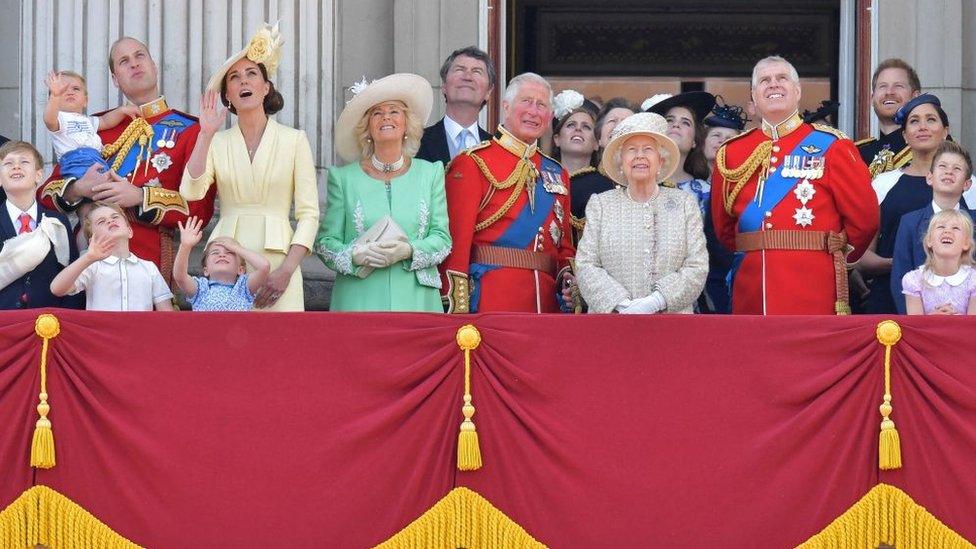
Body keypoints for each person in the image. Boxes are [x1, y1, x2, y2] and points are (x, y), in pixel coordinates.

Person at [37, 37, 217, 284]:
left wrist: (140, 197)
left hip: (150, 260)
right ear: (114, 79)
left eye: (139, 56)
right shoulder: (93, 126)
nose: (134, 64)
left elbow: (199, 211)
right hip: (91, 261)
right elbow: (45, 194)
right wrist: (78, 189)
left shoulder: (191, 129)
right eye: (124, 61)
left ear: (154, 66)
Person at [711, 56, 877, 315]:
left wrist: (835, 259)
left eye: (782, 79)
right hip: (750, 289)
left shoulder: (832, 146)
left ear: (798, 91)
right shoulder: (732, 152)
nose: (773, 85)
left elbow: (864, 219)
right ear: (754, 97)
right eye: (764, 81)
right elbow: (724, 228)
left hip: (812, 287)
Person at [181, 23, 319, 311]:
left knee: (282, 346)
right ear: (227, 95)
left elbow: (308, 214)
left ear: (266, 87)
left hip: (281, 260)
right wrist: (204, 135)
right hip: (227, 263)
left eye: (251, 74)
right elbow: (192, 191)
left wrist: (287, 270)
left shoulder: (295, 140)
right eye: (234, 77)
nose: (243, 81)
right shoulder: (217, 142)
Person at [439, 72, 576, 313]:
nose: (534, 111)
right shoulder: (473, 163)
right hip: (491, 300)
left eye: (542, 105)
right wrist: (456, 307)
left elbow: (564, 246)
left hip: (546, 306)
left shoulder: (558, 173)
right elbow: (456, 244)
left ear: (550, 117)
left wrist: (567, 278)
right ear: (506, 106)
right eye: (526, 101)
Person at [315, 73, 451, 312]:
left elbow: (442, 240)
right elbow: (326, 244)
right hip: (359, 301)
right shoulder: (343, 178)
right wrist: (355, 255)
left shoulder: (431, 173)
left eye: (394, 111)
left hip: (417, 301)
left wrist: (408, 250)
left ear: (407, 123)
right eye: (377, 113)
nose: (386, 117)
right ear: (367, 128)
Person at [576, 112, 707, 313]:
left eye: (648, 149)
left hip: (673, 327)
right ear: (621, 161)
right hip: (612, 324)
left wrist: (656, 301)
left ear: (661, 161)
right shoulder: (601, 205)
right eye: (631, 150)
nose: (639, 156)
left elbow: (697, 267)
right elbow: (586, 265)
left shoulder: (684, 204)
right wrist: (622, 305)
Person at [858, 94, 968, 314]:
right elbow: (863, 257)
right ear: (905, 135)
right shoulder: (882, 183)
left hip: (956, 304)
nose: (923, 127)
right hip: (891, 297)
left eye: (931, 119)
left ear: (945, 130)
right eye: (914, 121)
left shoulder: (968, 187)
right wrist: (901, 262)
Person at [891, 141, 975, 314]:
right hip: (920, 324)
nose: (949, 171)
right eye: (942, 166)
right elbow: (899, 277)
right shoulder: (910, 222)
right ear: (929, 177)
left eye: (957, 169)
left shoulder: (974, 222)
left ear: (967, 184)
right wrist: (916, 324)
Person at [50, 202, 174, 311]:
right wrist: (88, 257)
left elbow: (167, 314)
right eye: (101, 221)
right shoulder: (92, 266)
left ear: (129, 231)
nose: (110, 221)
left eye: (115, 217)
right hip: (101, 336)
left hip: (140, 335)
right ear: (91, 239)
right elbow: (57, 289)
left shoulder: (149, 268)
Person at [0, 141, 78, 309]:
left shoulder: (58, 222)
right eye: (8, 163)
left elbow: (73, 277)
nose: (16, 167)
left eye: (24, 162)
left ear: (38, 175)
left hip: (51, 323)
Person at [43, 70, 140, 180]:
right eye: (63, 89)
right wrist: (55, 96)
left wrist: (122, 111)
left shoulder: (87, 121)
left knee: (112, 187)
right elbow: (49, 120)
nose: (70, 92)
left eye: (76, 89)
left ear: (85, 101)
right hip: (76, 161)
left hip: (97, 159)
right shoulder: (59, 119)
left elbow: (105, 121)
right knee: (99, 185)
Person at [550, 89, 616, 245]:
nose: (578, 129)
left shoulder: (606, 186)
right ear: (557, 139)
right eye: (570, 125)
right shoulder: (540, 179)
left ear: (595, 143)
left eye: (586, 126)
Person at [700, 98, 747, 314]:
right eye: (716, 135)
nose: (722, 142)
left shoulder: (745, 187)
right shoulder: (688, 184)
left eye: (730, 138)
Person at [416, 46, 495, 165]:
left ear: (488, 91)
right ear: (444, 86)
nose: (467, 77)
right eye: (459, 69)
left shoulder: (497, 148)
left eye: (477, 71)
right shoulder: (415, 143)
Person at [173, 216, 270, 311]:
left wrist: (236, 248)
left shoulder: (243, 288)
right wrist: (185, 246)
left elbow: (264, 267)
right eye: (215, 252)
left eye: (229, 252)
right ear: (206, 270)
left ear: (240, 269)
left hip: (237, 328)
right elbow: (180, 277)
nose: (222, 255)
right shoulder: (200, 288)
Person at [645, 91, 716, 215]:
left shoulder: (707, 192)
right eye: (669, 120)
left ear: (694, 141)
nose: (676, 125)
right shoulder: (636, 184)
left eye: (685, 123)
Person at [902, 209, 976, 315]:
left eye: (955, 228)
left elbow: (973, 326)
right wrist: (933, 318)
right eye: (941, 227)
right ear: (929, 241)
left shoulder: (973, 280)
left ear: (966, 244)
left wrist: (956, 319)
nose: (947, 231)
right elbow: (915, 325)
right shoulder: (914, 280)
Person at [856, 59, 921, 178]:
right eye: (882, 86)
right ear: (872, 98)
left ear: (915, 97)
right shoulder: (857, 153)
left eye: (898, 86)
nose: (889, 92)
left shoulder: (930, 147)